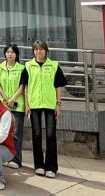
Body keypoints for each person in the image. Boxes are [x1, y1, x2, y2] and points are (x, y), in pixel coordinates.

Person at [23, 40, 67, 178]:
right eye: (36, 49)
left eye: (41, 49)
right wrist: (27, 105)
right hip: (34, 104)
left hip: (50, 104)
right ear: (33, 51)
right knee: (36, 135)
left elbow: (58, 86)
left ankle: (51, 167)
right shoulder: (28, 66)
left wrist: (58, 104)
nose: (39, 52)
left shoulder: (54, 65)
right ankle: (39, 166)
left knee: (50, 135)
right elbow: (25, 86)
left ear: (46, 51)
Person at [0, 43, 25, 169]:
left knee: (16, 133)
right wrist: (6, 98)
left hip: (17, 105)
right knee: (3, 132)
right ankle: (4, 157)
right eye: (8, 52)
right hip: (3, 104)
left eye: (12, 52)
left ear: (16, 54)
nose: (10, 54)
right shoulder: (0, 67)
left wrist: (12, 99)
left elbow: (23, 85)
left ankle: (16, 159)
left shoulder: (22, 68)